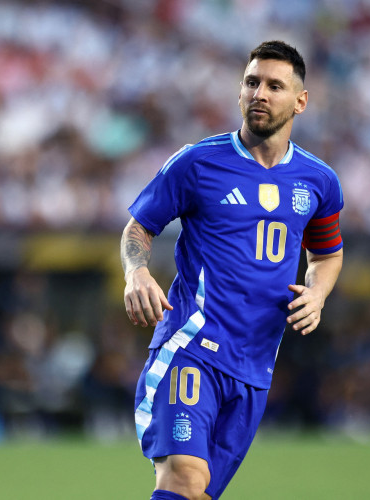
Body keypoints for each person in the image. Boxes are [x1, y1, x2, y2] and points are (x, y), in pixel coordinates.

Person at [121, 40, 344, 500]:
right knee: (182, 478)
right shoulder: (197, 163)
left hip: (254, 368)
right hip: (192, 349)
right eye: (252, 82)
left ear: (300, 101)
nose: (260, 93)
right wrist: (136, 273)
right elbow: (138, 228)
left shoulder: (319, 181)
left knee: (196, 493)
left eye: (275, 86)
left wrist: (317, 293)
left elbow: (326, 254)